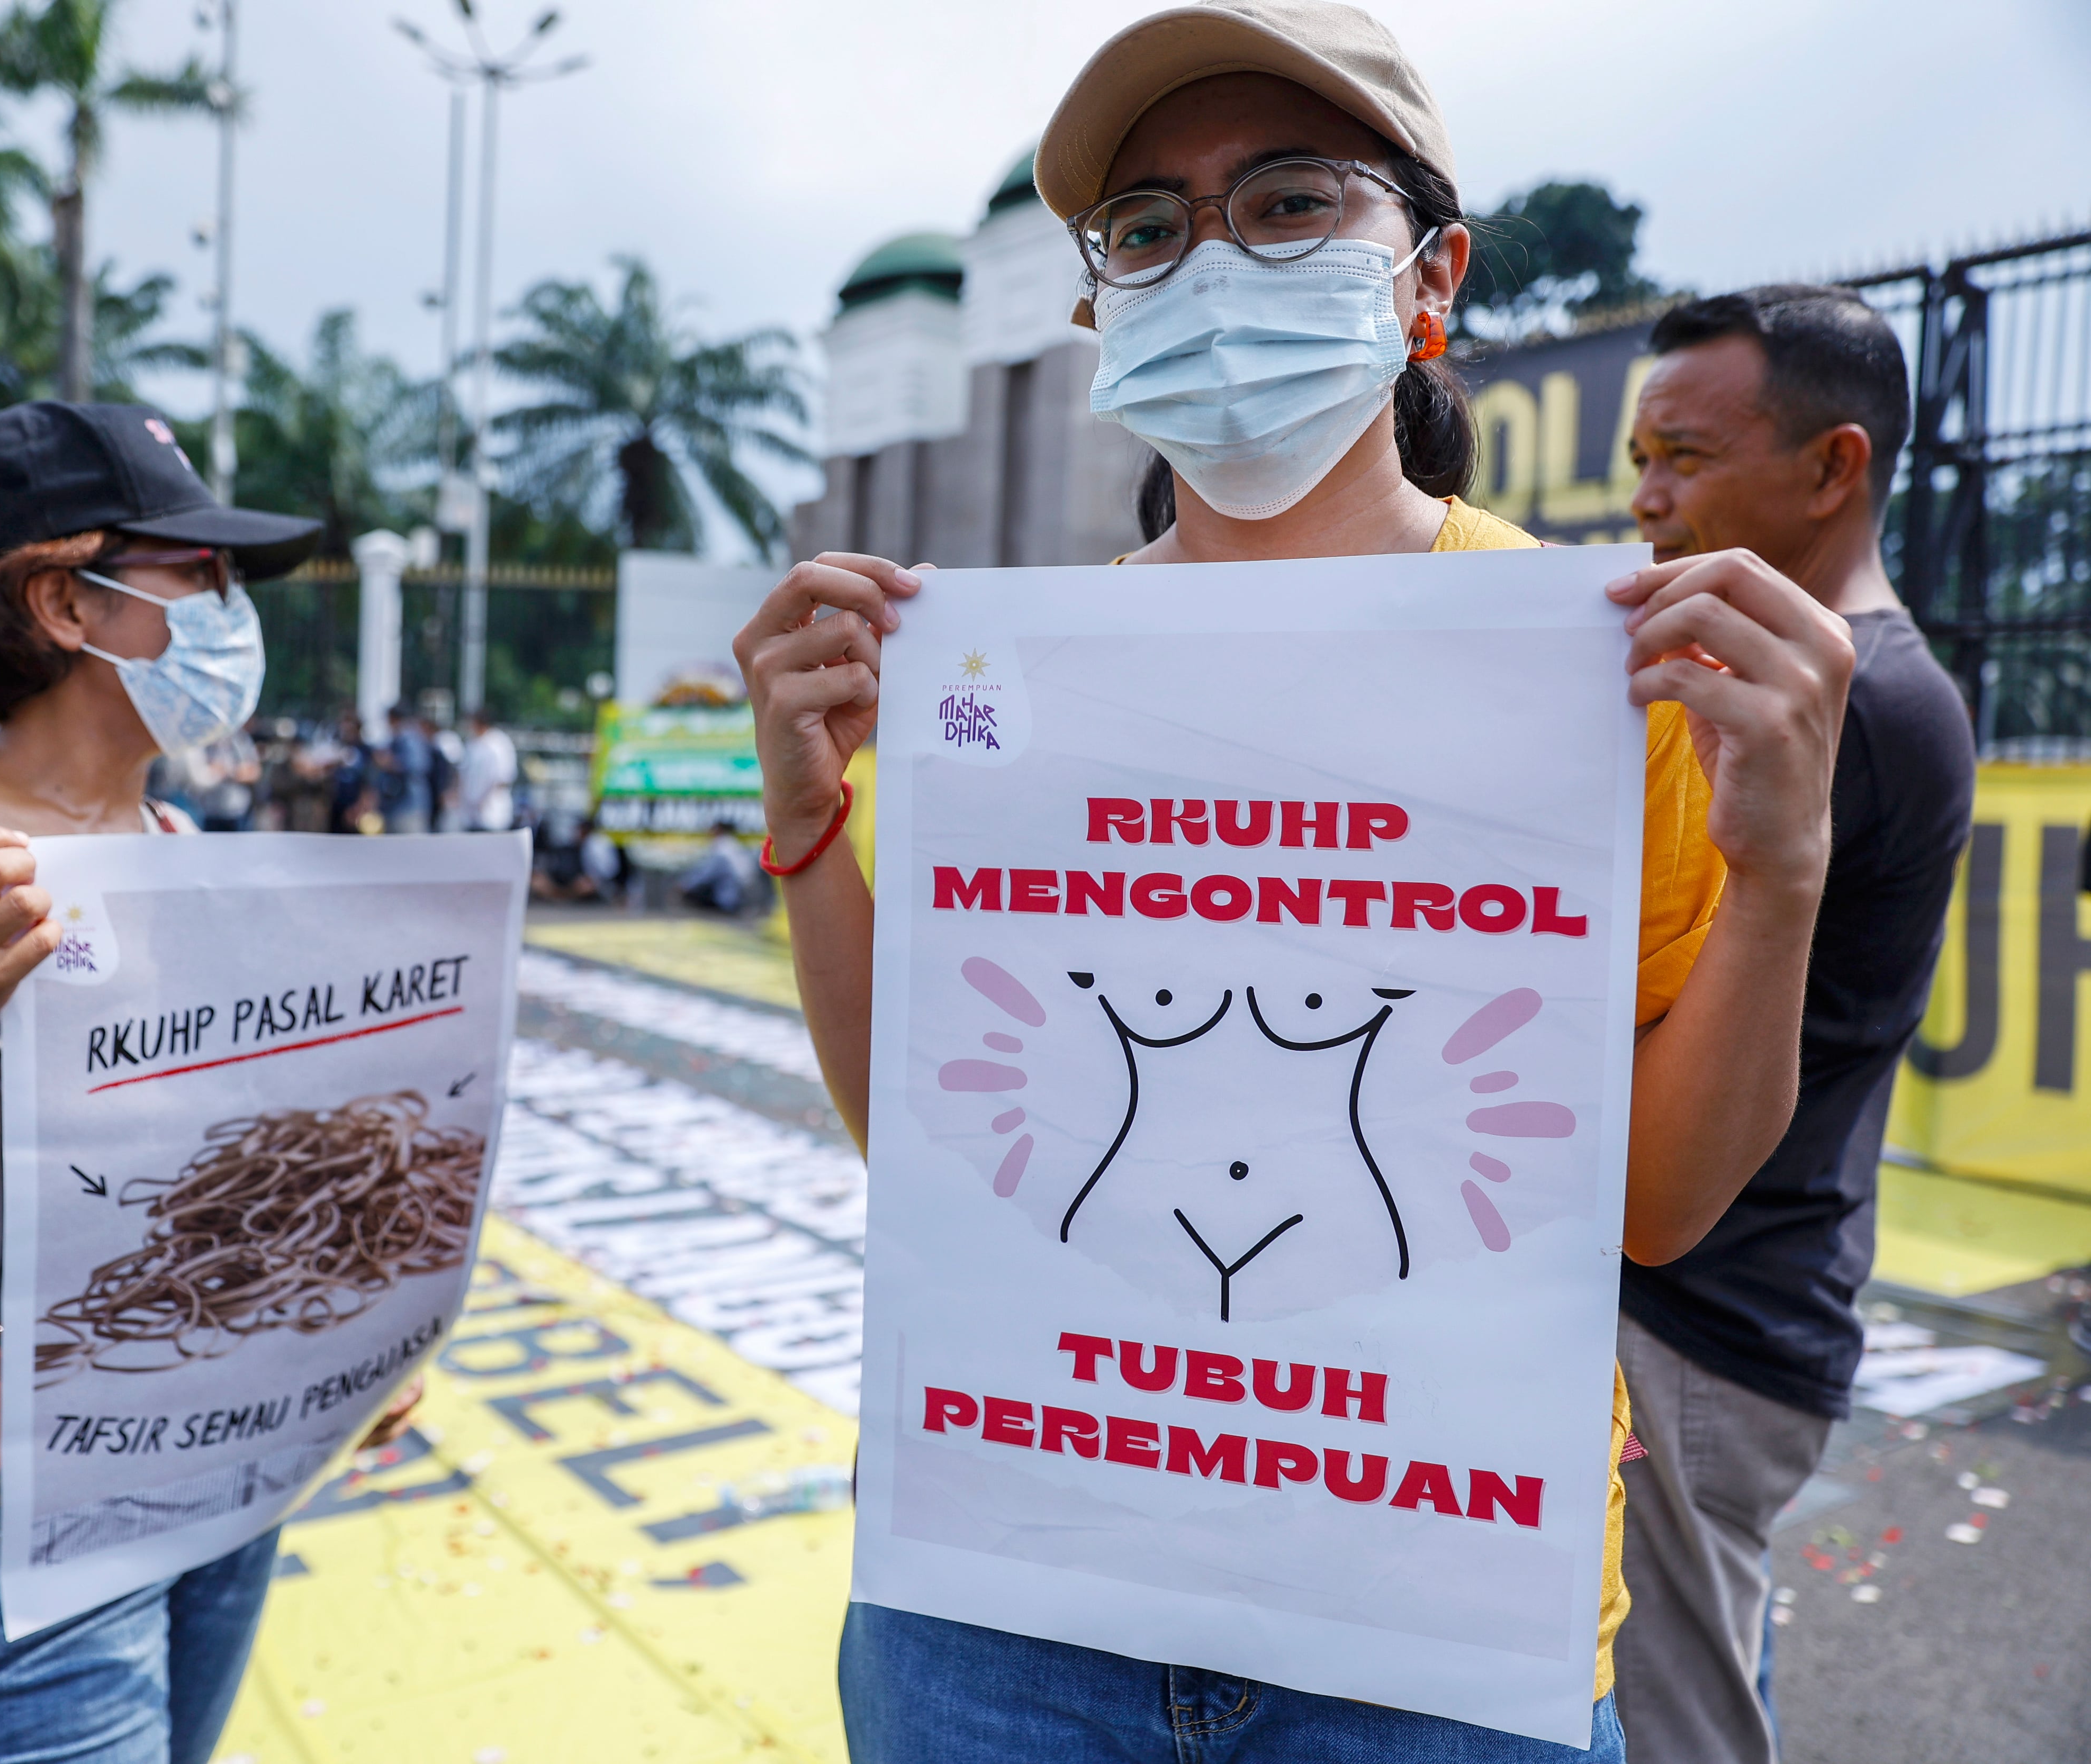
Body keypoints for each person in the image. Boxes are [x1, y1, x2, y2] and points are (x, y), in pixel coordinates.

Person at [733, 6, 1855, 1759]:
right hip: (1010, 1615)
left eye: (1289, 201)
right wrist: (809, 832)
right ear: (1102, 302)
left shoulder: (1606, 670)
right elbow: (932, 1144)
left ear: (1431, 273)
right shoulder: (1006, 681)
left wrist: (1783, 881)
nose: (1212, 262)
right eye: (1153, 228)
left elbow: (1655, 1209)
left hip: (1433, 1640)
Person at [0, 401, 413, 1764]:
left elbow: (227, 1180)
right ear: (63, 601)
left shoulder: (185, 842)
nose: (231, 609)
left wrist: (349, 1333)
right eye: (197, 572)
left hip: (222, 1481)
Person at [1611, 286, 1975, 1764]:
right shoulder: (1787, 686)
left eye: (1685, 458)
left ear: (1834, 469)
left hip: (1709, 1313)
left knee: (1674, 1726)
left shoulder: (1851, 707)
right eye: (1640, 456)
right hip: (1726, 1300)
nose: (1646, 501)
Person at [673, 818, 756, 915]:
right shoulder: (733, 845)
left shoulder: (723, 848)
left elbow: (705, 876)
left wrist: (683, 887)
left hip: (728, 899)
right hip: (741, 895)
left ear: (719, 830)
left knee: (689, 892)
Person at [458, 705, 520, 833]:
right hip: (470, 814)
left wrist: (483, 799)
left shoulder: (499, 743)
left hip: (492, 814)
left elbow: (504, 778)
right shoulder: (472, 743)